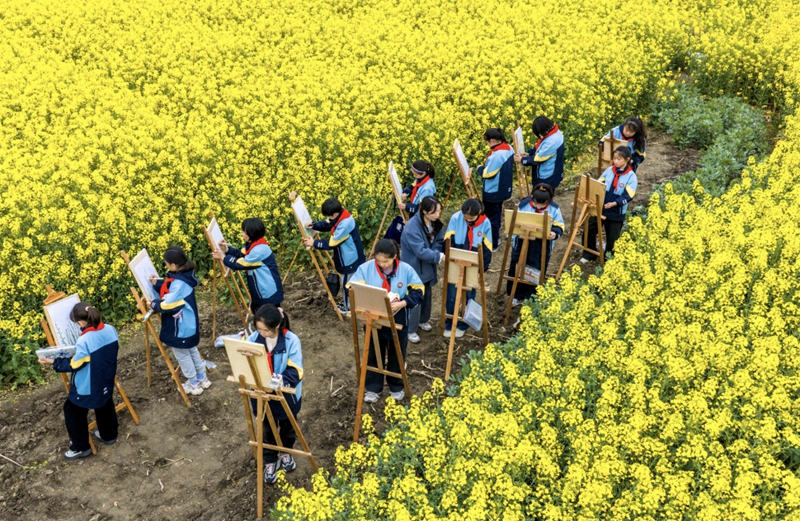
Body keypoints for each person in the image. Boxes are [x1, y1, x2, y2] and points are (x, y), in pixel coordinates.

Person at [39, 302, 119, 461]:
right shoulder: (110, 329)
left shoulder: (84, 340)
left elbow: (75, 364)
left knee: (72, 410)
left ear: (81, 322)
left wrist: (53, 362)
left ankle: (80, 447)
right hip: (106, 377)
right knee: (104, 401)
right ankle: (109, 435)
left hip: (88, 384)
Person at [347, 239, 423, 403]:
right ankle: (373, 387)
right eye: (378, 260)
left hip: (398, 316)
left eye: (386, 261)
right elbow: (352, 287)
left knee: (397, 353)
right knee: (373, 352)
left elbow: (419, 291)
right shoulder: (365, 268)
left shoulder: (406, 269)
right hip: (373, 318)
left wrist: (402, 303)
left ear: (395, 257)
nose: (382, 264)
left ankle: (396, 385)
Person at [246, 305, 303, 484]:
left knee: (287, 427)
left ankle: (286, 451)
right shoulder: (252, 340)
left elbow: (296, 370)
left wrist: (279, 380)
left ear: (276, 325)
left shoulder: (291, 340)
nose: (261, 333)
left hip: (285, 395)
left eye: (265, 330)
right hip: (260, 394)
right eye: (258, 329)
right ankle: (270, 460)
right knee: (266, 429)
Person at [149, 246, 210, 396]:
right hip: (190, 326)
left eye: (167, 264)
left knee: (183, 355)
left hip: (180, 328)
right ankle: (202, 377)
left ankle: (193, 384)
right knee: (192, 349)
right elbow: (170, 287)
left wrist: (152, 304)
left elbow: (167, 304)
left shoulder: (179, 284)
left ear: (174, 266)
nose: (166, 266)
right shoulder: (186, 275)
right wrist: (157, 284)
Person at [300, 195, 366, 313]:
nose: (328, 218)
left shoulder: (345, 224)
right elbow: (328, 224)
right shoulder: (341, 215)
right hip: (352, 255)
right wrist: (314, 225)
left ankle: (348, 307)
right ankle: (352, 302)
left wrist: (314, 242)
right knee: (351, 282)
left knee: (347, 284)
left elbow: (332, 243)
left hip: (350, 259)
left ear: (335, 214)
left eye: (329, 216)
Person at [506, 184, 564, 306]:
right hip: (521, 241)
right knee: (517, 265)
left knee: (536, 269)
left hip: (541, 244)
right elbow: (512, 223)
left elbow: (559, 226)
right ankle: (516, 294)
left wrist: (554, 233)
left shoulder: (554, 209)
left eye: (542, 205)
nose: (539, 207)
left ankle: (531, 297)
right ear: (532, 197)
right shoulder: (523, 205)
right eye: (537, 204)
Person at [442, 199, 492, 338]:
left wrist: (482, 271)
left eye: (471, 218)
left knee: (469, 294)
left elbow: (487, 249)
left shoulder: (485, 223)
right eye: (465, 217)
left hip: (473, 265)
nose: (467, 220)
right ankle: (449, 322)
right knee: (451, 294)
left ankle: (464, 324)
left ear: (479, 213)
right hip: (455, 261)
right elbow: (447, 239)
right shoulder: (456, 218)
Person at [213, 217, 284, 313]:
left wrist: (223, 257)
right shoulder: (255, 245)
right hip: (262, 290)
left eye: (243, 231)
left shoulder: (259, 251)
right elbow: (241, 254)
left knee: (269, 318)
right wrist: (226, 250)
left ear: (251, 233)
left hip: (267, 292)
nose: (242, 234)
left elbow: (241, 264)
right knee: (258, 311)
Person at [581, 146, 638, 262]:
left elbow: (628, 195)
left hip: (616, 211)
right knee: (589, 228)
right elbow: (599, 184)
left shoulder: (631, 177)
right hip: (601, 207)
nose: (616, 161)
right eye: (614, 158)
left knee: (613, 237)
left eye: (619, 159)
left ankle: (608, 259)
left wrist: (615, 203)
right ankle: (589, 254)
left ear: (627, 159)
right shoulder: (609, 170)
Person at [400, 196, 444, 343]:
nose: (437, 215)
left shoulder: (434, 223)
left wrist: (436, 251)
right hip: (414, 267)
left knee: (427, 295)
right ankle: (410, 329)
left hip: (426, 266)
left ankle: (422, 320)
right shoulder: (412, 227)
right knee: (415, 298)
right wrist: (437, 256)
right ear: (424, 211)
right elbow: (420, 251)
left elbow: (438, 240)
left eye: (438, 211)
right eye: (434, 212)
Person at [477, 128, 514, 252]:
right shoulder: (508, 148)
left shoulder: (497, 155)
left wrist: (479, 169)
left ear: (492, 140)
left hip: (493, 191)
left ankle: (493, 243)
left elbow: (488, 173)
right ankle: (495, 238)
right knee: (496, 214)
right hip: (502, 189)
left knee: (492, 217)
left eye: (487, 141)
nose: (487, 144)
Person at [514, 116, 565, 189]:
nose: (541, 135)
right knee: (547, 197)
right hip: (554, 173)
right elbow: (542, 148)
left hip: (546, 177)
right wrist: (529, 153)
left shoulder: (551, 141)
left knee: (541, 198)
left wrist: (522, 160)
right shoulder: (556, 133)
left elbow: (538, 159)